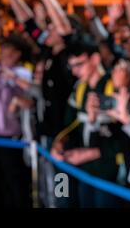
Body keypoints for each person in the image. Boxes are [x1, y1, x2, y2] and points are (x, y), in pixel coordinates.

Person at [50, 38, 120, 207]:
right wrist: (60, 142)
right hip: (83, 168)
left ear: (95, 59)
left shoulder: (114, 85)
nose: (74, 71)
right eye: (71, 66)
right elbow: (70, 123)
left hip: (109, 169)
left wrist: (92, 152)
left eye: (79, 64)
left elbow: (124, 132)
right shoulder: (80, 88)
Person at [0, 34, 33, 207]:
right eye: (2, 48)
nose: (2, 52)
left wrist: (3, 72)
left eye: (6, 49)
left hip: (10, 139)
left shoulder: (22, 74)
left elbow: (1, 82)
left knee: (15, 184)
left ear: (17, 54)